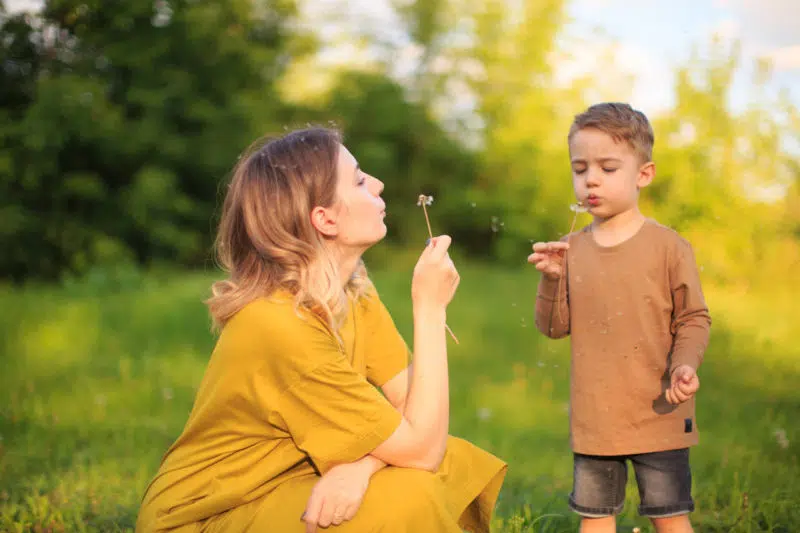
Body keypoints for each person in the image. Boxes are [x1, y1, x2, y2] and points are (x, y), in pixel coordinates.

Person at [135, 127, 507, 533]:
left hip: (293, 483)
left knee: (449, 460)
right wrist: (431, 310)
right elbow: (420, 448)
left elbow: (416, 409)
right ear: (325, 218)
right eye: (361, 180)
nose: (379, 184)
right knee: (411, 493)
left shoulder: (352, 290)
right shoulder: (278, 328)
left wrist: (362, 467)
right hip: (210, 515)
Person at [528, 103, 711, 533]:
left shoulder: (669, 247)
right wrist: (552, 280)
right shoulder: (571, 249)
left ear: (643, 175)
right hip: (597, 417)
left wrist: (686, 364)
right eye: (579, 168)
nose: (590, 179)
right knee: (596, 520)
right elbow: (553, 328)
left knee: (670, 518)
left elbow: (693, 318)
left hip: (661, 410)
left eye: (608, 168)